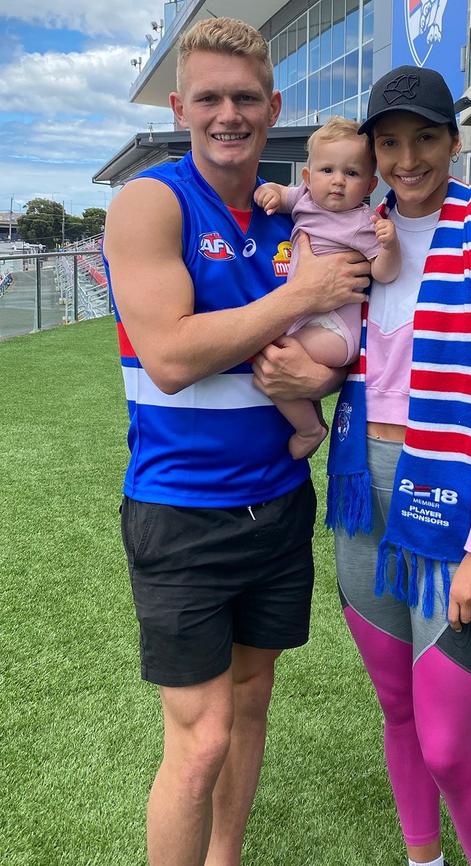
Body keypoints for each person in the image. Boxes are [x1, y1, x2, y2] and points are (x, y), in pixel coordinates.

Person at [102, 17, 370, 866]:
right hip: (182, 512)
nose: (229, 114)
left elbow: (333, 355)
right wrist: (302, 299)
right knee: (202, 739)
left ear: (273, 106)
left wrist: (318, 381)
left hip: (282, 506)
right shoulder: (151, 201)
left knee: (252, 702)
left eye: (246, 97)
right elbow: (173, 356)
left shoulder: (296, 216)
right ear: (180, 106)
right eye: (210, 97)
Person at [324, 65, 471, 866]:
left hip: (450, 505)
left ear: (455, 141)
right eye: (389, 143)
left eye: (425, 138)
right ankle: (423, 861)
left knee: (450, 745)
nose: (407, 159)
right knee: (396, 711)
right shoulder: (352, 231)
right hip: (360, 495)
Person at [254, 117, 401, 459]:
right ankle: (311, 417)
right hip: (308, 318)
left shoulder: (364, 222)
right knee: (275, 357)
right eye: (327, 171)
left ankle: (310, 429)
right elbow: (283, 195)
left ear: (369, 185)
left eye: (351, 174)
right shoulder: (305, 198)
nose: (337, 182)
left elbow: (386, 272)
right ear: (307, 177)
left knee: (272, 358)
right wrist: (271, 192)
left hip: (335, 329)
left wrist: (390, 247)